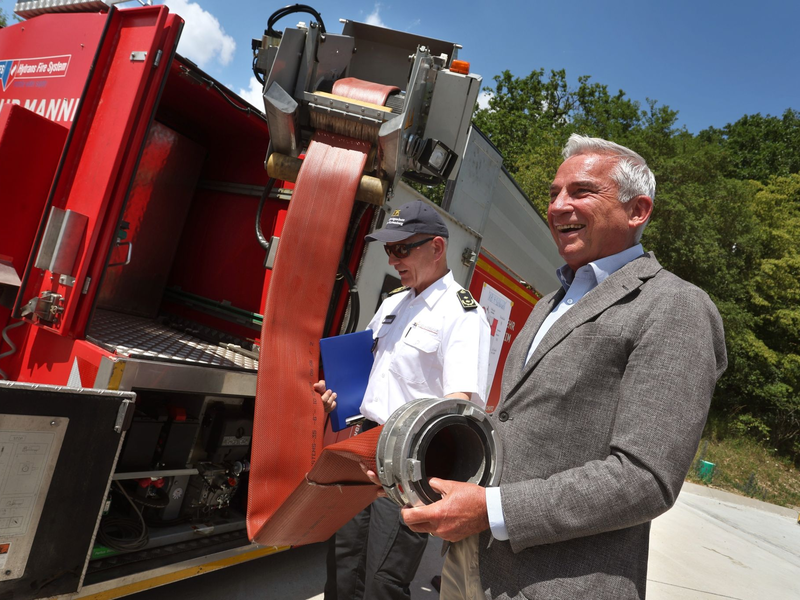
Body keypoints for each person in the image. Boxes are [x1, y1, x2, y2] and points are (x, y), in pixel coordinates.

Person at [392, 134, 728, 599]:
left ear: (638, 211)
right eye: (553, 193)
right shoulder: (550, 302)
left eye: (582, 191)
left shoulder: (675, 306)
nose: (557, 206)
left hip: (557, 585)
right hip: (474, 566)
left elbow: (645, 479)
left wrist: (492, 509)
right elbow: (518, 424)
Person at [315, 200, 491, 600]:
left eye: (402, 249)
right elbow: (370, 374)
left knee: (382, 580)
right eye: (388, 250)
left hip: (405, 464)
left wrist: (422, 483)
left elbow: (458, 409)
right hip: (362, 446)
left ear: (436, 247)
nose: (393, 259)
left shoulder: (462, 314)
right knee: (342, 563)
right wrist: (338, 400)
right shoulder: (394, 303)